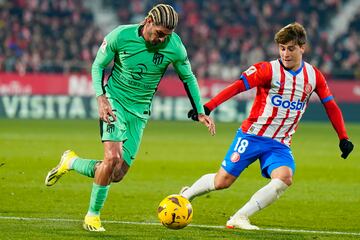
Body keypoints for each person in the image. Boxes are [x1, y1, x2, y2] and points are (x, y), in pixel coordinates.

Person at [45, 4, 215, 232]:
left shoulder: (175, 47)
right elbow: (98, 66)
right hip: (114, 101)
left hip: (140, 112)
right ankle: (92, 216)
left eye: (167, 36)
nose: (162, 40)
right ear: (148, 21)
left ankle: (71, 162)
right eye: (159, 34)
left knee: (116, 174)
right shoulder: (120, 35)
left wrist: (200, 110)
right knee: (112, 157)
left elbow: (188, 77)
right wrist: (101, 98)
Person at [185, 22, 354, 230]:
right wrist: (208, 106)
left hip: (279, 143)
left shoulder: (314, 76)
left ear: (303, 47)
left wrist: (343, 137)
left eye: (290, 48)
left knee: (284, 178)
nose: (285, 54)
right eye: (282, 48)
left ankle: (239, 217)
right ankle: (187, 194)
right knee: (222, 182)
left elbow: (331, 106)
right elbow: (238, 87)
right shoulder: (267, 70)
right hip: (252, 136)